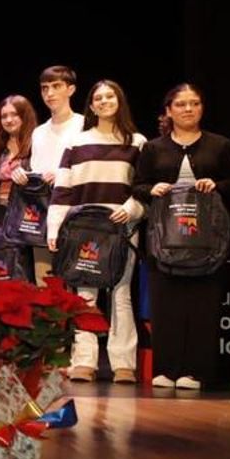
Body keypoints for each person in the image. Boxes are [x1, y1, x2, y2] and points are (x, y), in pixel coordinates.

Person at [132, 83, 230, 391]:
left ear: (202, 108)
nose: (188, 109)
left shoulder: (221, 146)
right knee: (165, 302)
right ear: (169, 110)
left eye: (194, 103)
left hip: (205, 237)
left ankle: (195, 371)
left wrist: (217, 184)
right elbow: (138, 184)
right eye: (180, 104)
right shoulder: (154, 148)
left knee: (201, 303)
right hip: (164, 237)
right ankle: (166, 369)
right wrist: (151, 189)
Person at [48, 80, 146, 384]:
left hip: (121, 227)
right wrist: (54, 226)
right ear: (91, 106)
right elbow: (63, 189)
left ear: (120, 101)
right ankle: (85, 361)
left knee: (121, 293)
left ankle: (123, 363)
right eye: (98, 98)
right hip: (84, 228)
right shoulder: (76, 143)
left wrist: (131, 209)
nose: (104, 101)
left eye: (110, 96)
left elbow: (144, 188)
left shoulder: (138, 142)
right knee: (85, 294)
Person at [25, 66, 86, 283]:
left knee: (79, 284)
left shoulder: (84, 125)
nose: (49, 93)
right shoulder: (39, 132)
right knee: (46, 283)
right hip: (44, 213)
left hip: (76, 213)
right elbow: (36, 171)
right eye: (44, 88)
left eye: (56, 86)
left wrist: (61, 175)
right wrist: (27, 177)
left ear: (71, 89)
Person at [0, 95, 39, 271]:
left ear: (25, 116)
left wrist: (30, 179)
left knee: (24, 278)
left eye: (14, 114)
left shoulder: (38, 144)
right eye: (4, 116)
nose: (9, 120)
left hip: (27, 220)